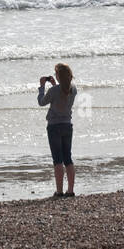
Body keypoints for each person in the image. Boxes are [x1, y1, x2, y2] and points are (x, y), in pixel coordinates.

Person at [38, 63, 77, 197]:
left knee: (57, 160)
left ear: (58, 76)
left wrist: (42, 86)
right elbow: (62, 94)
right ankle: (70, 190)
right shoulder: (73, 89)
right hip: (67, 125)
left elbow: (42, 102)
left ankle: (59, 191)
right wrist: (55, 85)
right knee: (68, 159)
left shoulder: (54, 91)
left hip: (54, 126)